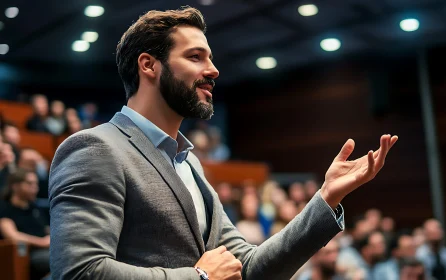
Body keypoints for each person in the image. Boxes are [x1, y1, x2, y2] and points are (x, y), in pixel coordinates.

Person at [48, 6, 398, 280]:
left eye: (210, 58)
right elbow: (80, 271)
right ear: (148, 65)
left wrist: (326, 197)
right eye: (196, 56)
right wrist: (198, 277)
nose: (214, 69)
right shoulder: (95, 148)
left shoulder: (189, 162)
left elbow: (248, 267)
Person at [0, 168, 50, 280]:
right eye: (30, 184)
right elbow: (12, 236)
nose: (35, 188)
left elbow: (46, 229)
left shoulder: (34, 208)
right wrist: (41, 242)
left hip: (46, 250)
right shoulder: (5, 209)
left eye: (36, 184)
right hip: (25, 255)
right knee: (60, 259)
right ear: (15, 186)